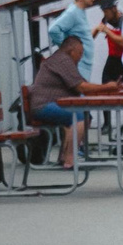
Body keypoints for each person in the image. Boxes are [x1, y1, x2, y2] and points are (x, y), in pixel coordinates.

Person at [24, 33, 94, 168]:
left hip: (46, 105)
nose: (81, 58)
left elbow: (80, 83)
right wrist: (107, 87)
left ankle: (64, 156)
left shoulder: (62, 60)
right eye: (80, 53)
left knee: (84, 115)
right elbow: (81, 86)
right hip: (42, 106)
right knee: (79, 117)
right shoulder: (63, 60)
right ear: (71, 51)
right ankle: (70, 159)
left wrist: (103, 89)